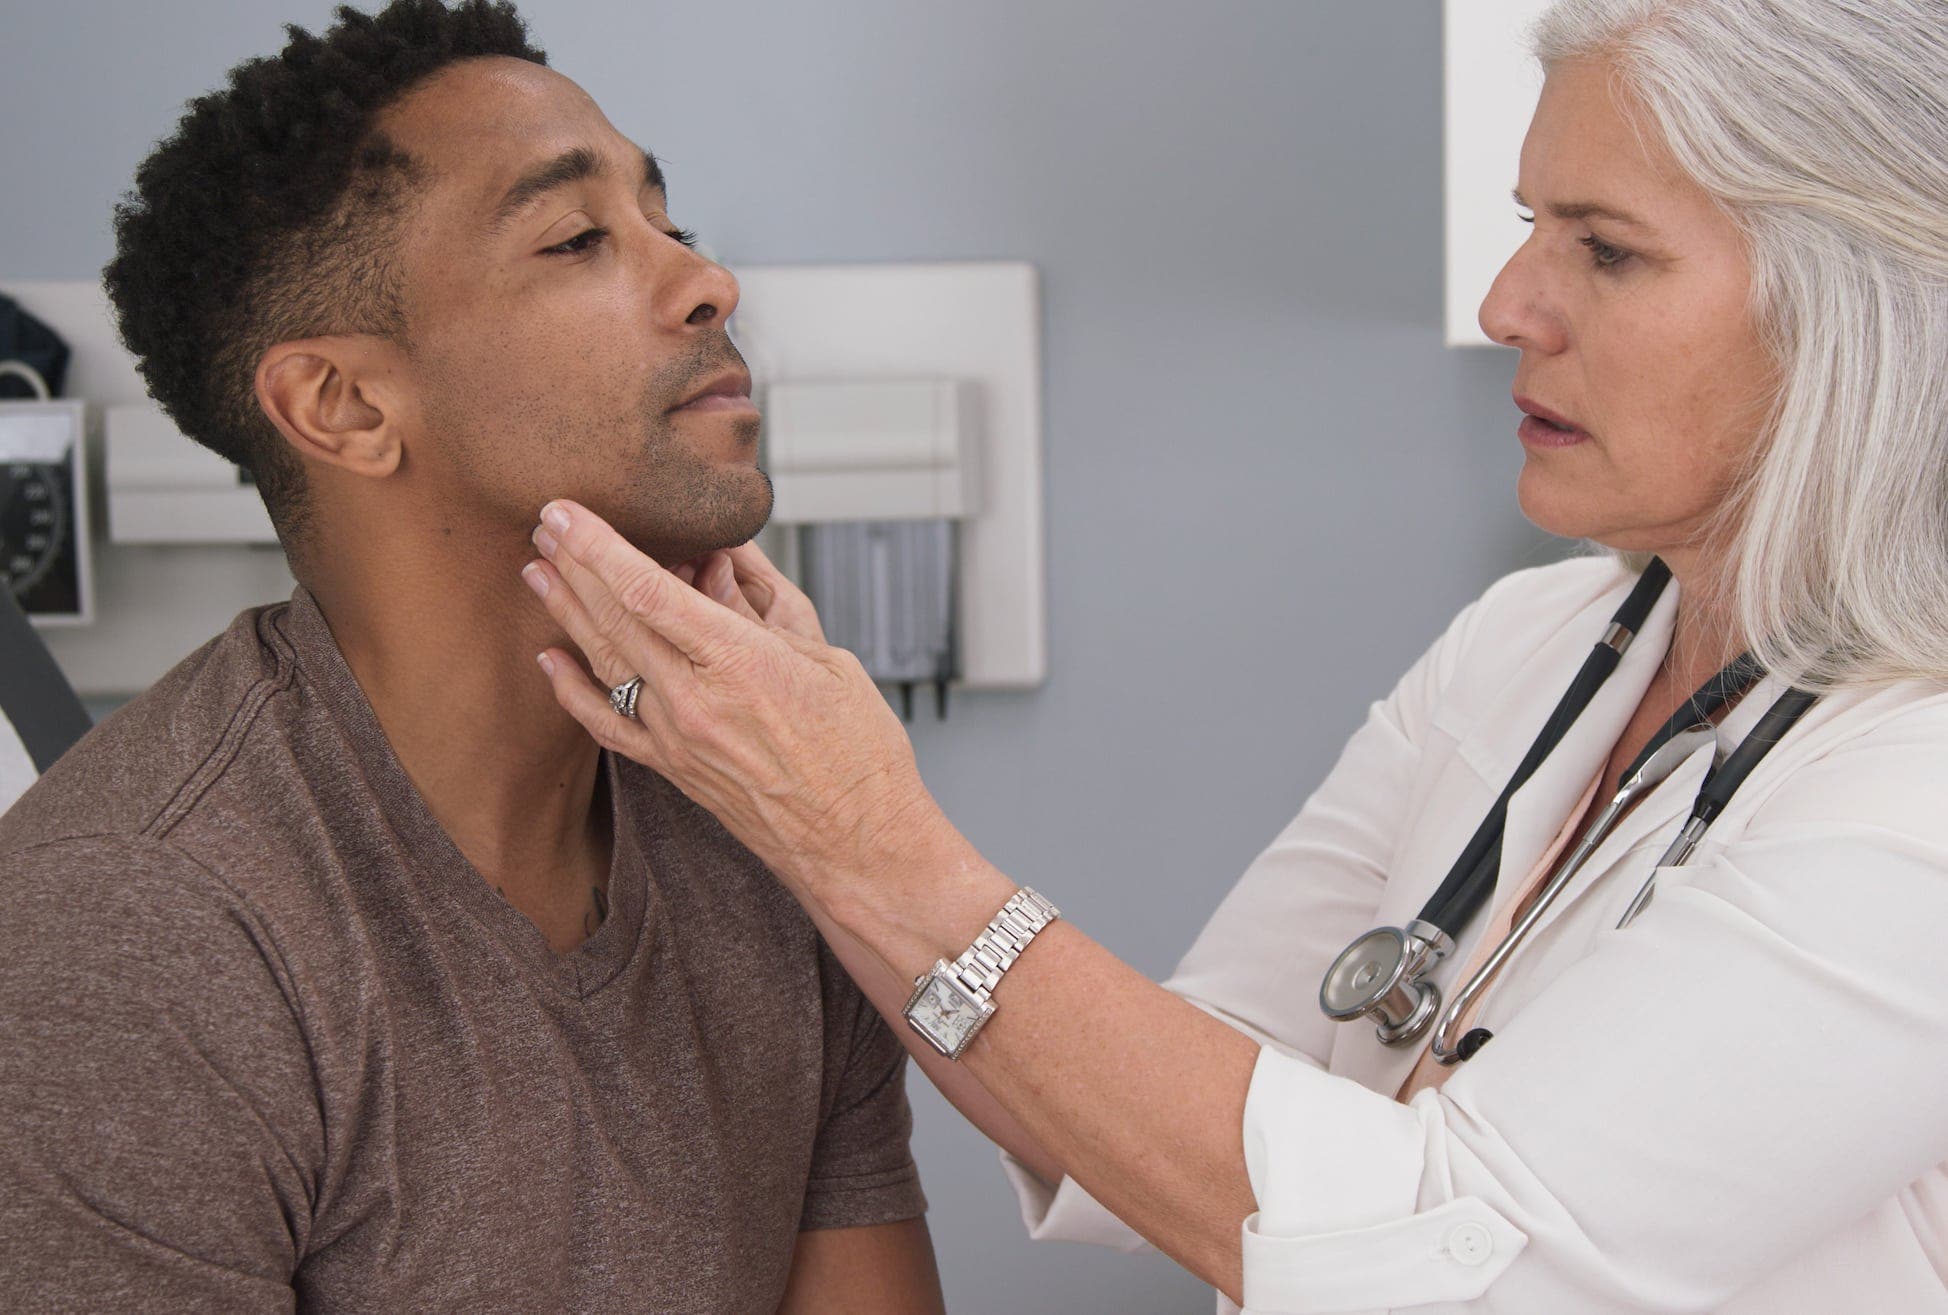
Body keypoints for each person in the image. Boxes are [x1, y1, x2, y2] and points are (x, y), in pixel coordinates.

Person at [518, 0, 1948, 1310]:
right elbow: (1174, 1084)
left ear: (1857, 307)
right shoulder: (1531, 644)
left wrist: (857, 829)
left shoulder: (1917, 800)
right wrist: (798, 804)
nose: (1511, 302)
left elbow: (1463, 1259)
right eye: (1528, 225)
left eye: (1607, 248)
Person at [0, 3, 943, 1311]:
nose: (707, 282)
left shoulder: (760, 818)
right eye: (576, 240)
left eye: (672, 221)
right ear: (343, 405)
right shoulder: (137, 936)